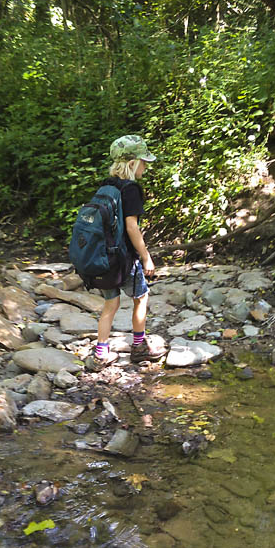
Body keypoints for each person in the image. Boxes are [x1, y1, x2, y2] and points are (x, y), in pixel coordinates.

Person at [84, 135, 166, 372]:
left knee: (111, 304)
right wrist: (146, 256)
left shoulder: (106, 185)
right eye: (143, 161)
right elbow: (132, 227)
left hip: (102, 258)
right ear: (132, 163)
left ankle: (101, 353)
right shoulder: (130, 190)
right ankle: (139, 347)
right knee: (141, 297)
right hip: (123, 259)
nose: (146, 166)